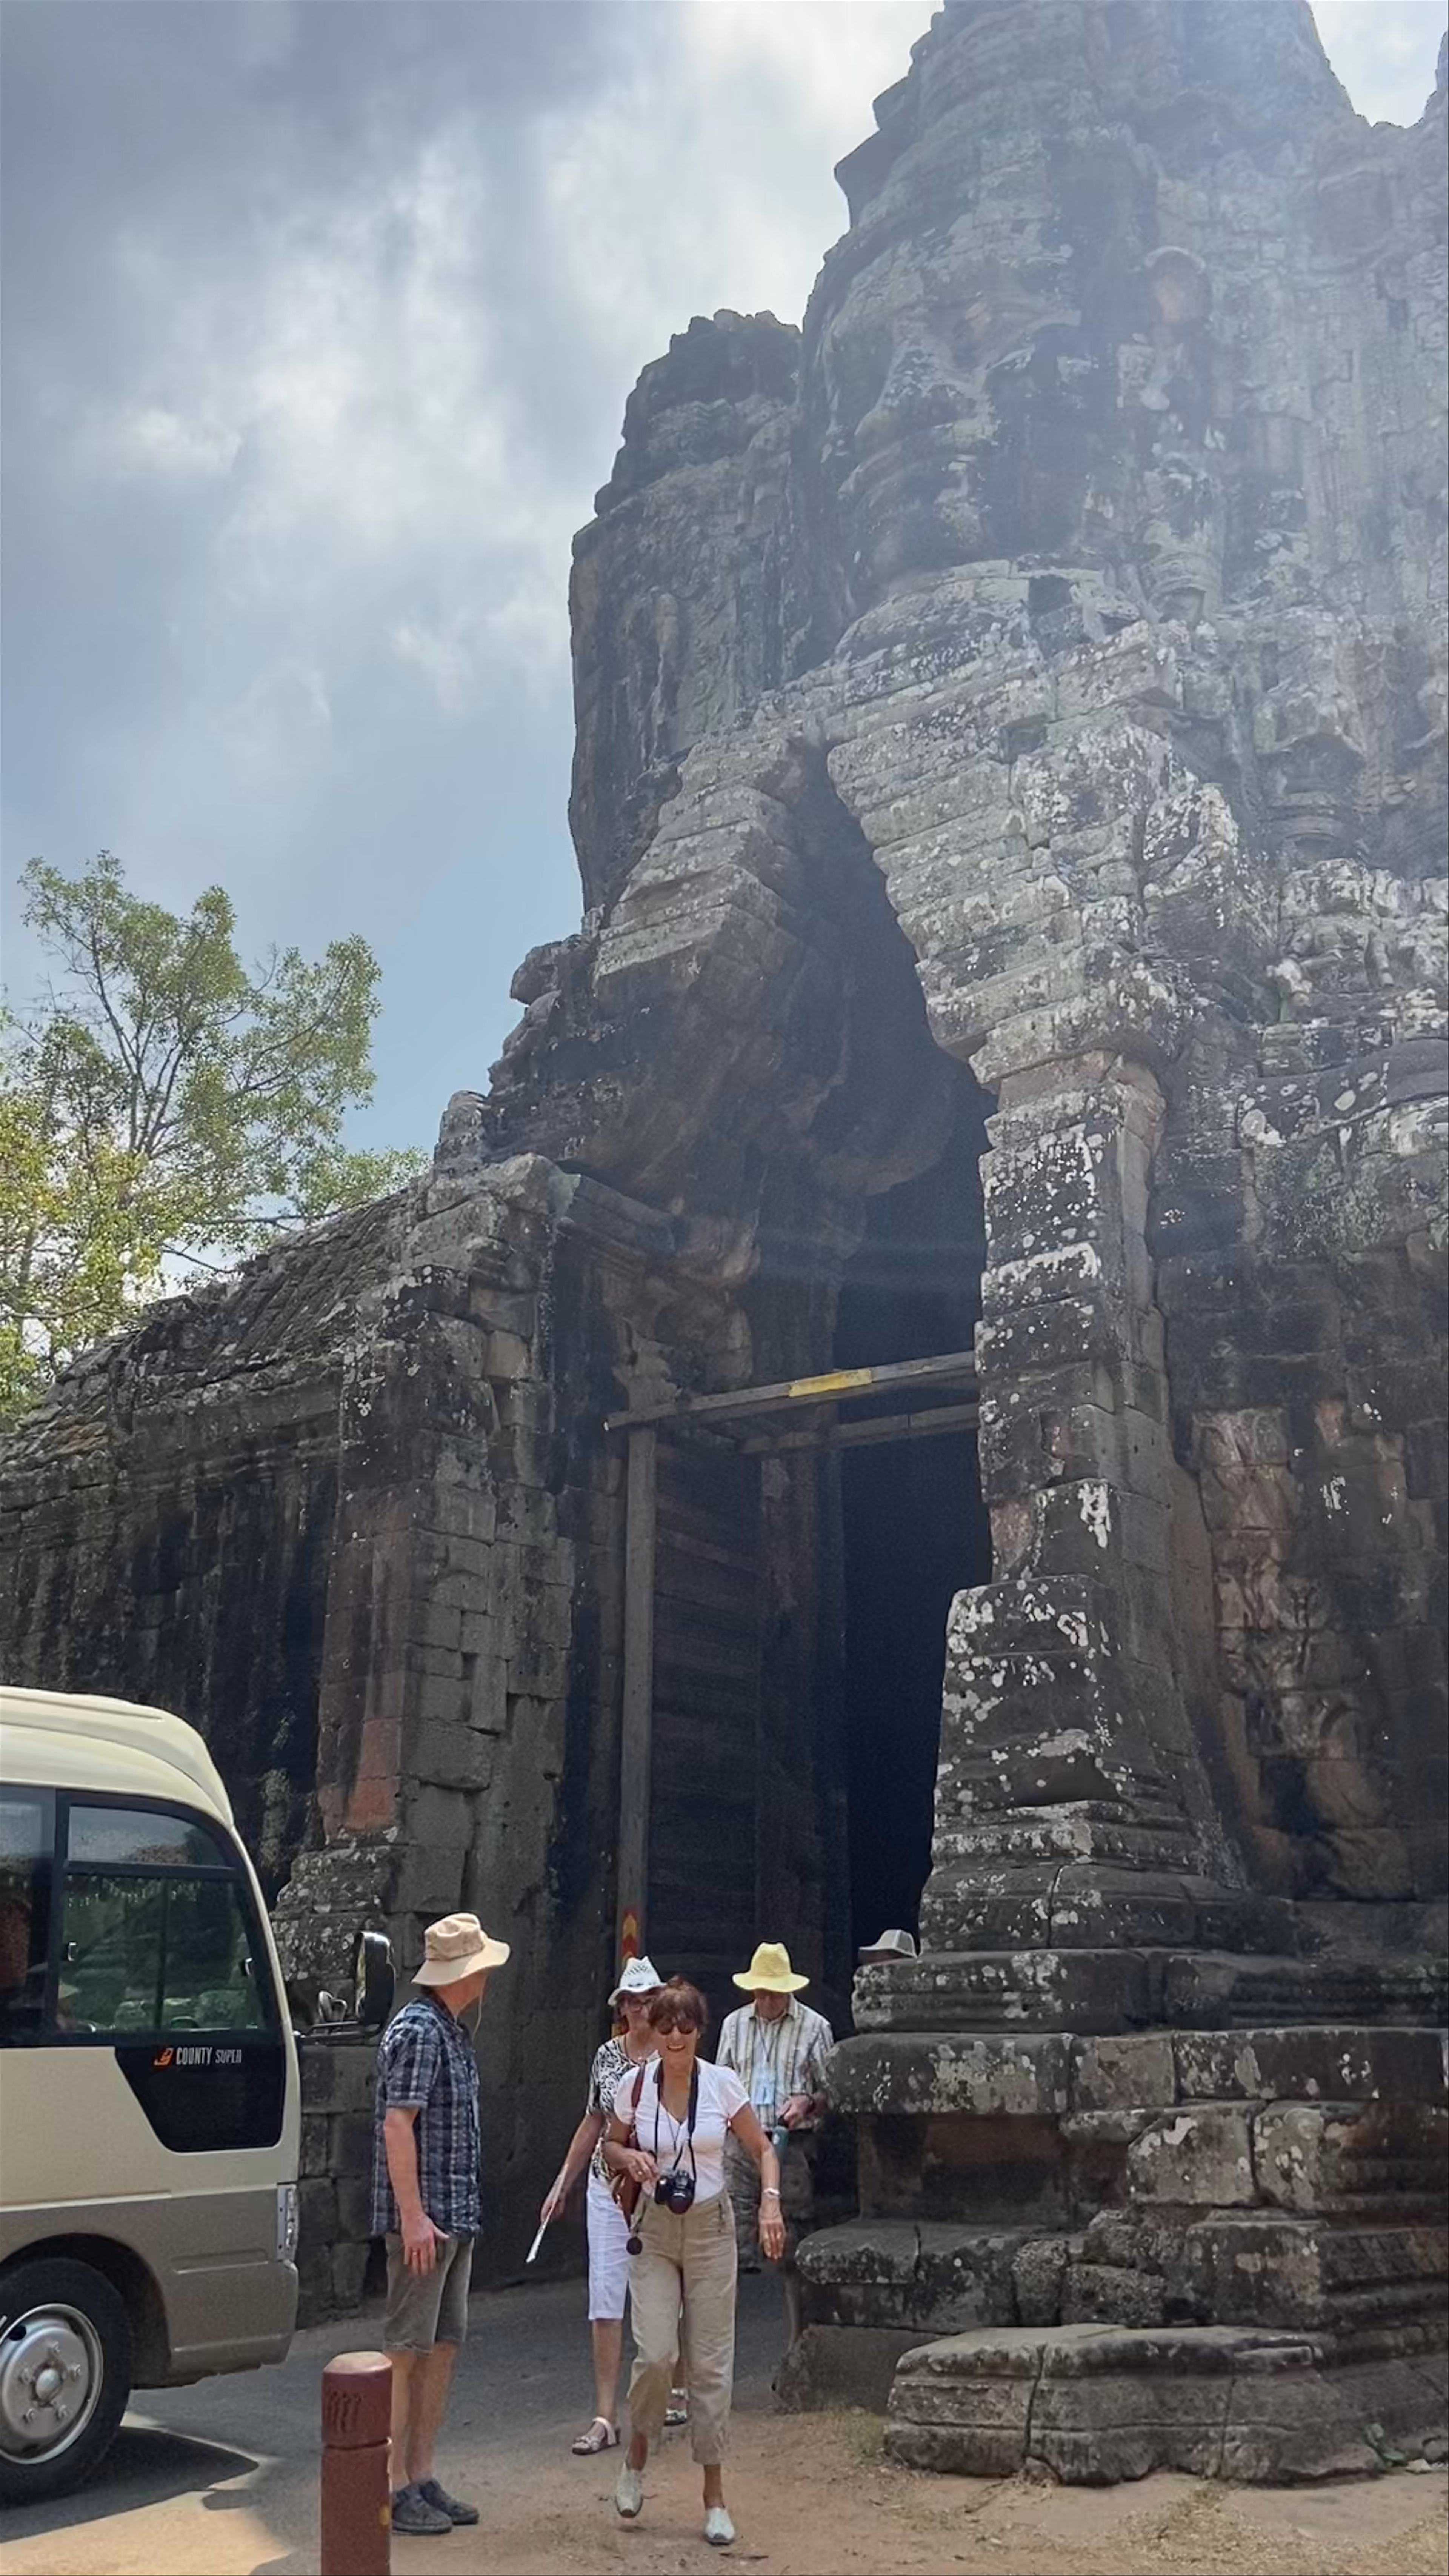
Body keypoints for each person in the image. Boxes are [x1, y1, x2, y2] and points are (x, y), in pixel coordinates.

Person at [604, 1978, 784, 2550]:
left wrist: (771, 2204)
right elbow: (610, 2141)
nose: (676, 2035)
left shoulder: (722, 2085)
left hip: (709, 2225)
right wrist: (629, 2154)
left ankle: (714, 2496)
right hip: (655, 2227)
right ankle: (637, 2453)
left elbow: (762, 2147)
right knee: (657, 2353)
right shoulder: (635, 2085)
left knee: (709, 2365)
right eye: (666, 2026)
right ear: (651, 2031)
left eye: (686, 2026)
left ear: (700, 2031)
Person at [370, 1910, 510, 2540]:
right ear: (467, 1971)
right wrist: (413, 2215)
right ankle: (393, 2480)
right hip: (427, 2219)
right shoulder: (422, 2031)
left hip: (453, 2214)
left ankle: (421, 2472)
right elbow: (398, 2124)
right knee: (406, 2350)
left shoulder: (449, 2030)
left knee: (442, 2346)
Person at [539, 1953, 686, 2455]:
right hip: (610, 2187)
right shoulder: (607, 2056)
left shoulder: (675, 2051)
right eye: (633, 1999)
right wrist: (564, 2180)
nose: (641, 2007)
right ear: (621, 2006)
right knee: (606, 2298)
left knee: (664, 2298)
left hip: (661, 2187)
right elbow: (593, 2121)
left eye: (649, 1999)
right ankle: (605, 2415)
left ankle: (659, 2396)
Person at [716, 1941, 834, 2351]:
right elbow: (721, 2085)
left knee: (794, 2250)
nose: (766, 1999)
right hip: (740, 2145)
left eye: (773, 1991)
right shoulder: (734, 2025)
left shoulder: (815, 2027)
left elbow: (831, 2091)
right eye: (760, 1991)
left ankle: (798, 2347)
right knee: (727, 2246)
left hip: (792, 2146)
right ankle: (716, 2354)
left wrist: (808, 2102)